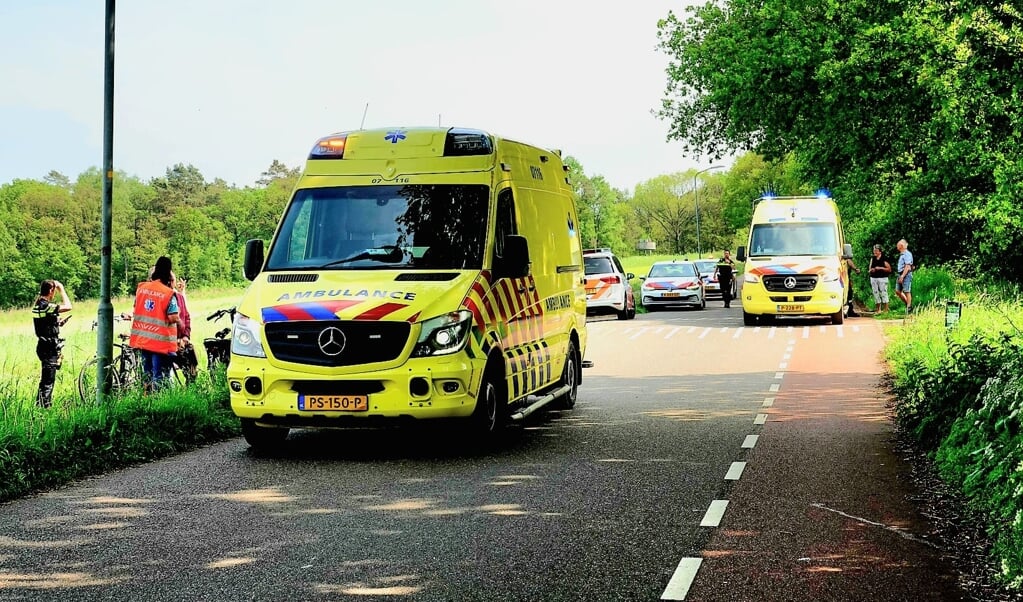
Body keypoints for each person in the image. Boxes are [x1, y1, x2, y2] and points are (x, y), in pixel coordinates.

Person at [129, 256, 181, 390]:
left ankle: (146, 403)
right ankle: (159, 406)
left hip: (142, 340)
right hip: (160, 344)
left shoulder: (141, 288)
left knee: (146, 375)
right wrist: (180, 321)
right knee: (159, 377)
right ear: (169, 272)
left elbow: (137, 309)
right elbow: (173, 317)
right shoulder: (168, 293)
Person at [32, 279, 72, 408]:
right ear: (51, 291)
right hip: (49, 347)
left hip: (43, 345)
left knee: (45, 379)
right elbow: (68, 306)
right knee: (48, 381)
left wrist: (57, 323)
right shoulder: (46, 305)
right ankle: (45, 408)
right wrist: (62, 289)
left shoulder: (38, 305)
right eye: (54, 290)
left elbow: (43, 324)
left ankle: (39, 406)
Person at [172, 273, 198, 383]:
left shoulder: (179, 297)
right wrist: (175, 341)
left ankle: (190, 389)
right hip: (169, 344)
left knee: (192, 366)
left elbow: (186, 317)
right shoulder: (164, 297)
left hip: (181, 341)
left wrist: (185, 336)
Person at [868, 244, 893, 313]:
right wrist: (871, 270)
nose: (874, 252)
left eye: (876, 251)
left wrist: (880, 268)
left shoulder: (884, 259)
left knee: (883, 292)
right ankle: (878, 309)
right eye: (874, 250)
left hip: (883, 278)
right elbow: (869, 269)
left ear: (880, 251)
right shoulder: (872, 258)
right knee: (875, 292)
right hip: (873, 278)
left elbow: (889, 269)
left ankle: (886, 309)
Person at [895, 239, 914, 313]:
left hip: (905, 274)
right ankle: (907, 303)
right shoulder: (902, 254)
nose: (897, 246)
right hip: (900, 274)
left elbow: (907, 266)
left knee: (906, 291)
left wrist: (903, 276)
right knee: (897, 291)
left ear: (901, 246)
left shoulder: (907, 254)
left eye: (898, 244)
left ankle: (909, 308)